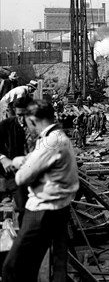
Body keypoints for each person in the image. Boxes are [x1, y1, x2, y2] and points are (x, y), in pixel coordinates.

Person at [2, 99, 79, 282]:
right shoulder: (59, 137)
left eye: (28, 123)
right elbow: (40, 161)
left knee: (11, 268)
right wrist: (28, 160)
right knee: (30, 266)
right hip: (56, 209)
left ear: (33, 120)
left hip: (41, 212)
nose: (28, 128)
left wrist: (19, 163)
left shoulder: (49, 143)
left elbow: (21, 178)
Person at [0, 96, 35, 227]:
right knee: (24, 207)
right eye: (19, 115)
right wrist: (3, 159)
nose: (23, 119)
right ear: (15, 112)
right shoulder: (6, 125)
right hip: (16, 175)